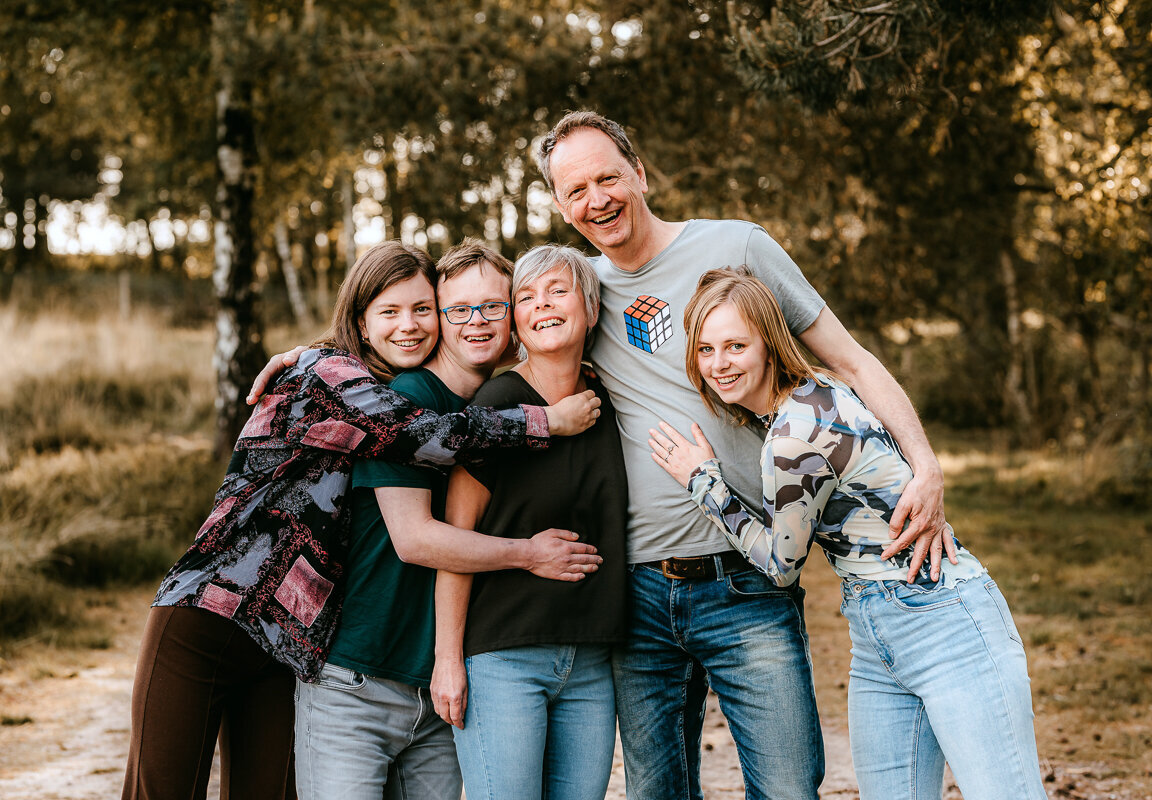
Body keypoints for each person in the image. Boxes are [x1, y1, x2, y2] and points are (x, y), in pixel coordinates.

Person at [533, 110, 955, 800]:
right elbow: (472, 329)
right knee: (657, 792)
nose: (596, 200)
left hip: (749, 578)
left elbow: (850, 359)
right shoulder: (579, 289)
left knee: (788, 788)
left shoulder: (738, 247)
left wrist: (926, 466)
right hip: (636, 588)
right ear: (559, 203)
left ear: (639, 174)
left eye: (608, 178)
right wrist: (327, 355)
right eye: (575, 190)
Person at [122, 241, 602, 800]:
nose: (412, 326)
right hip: (208, 620)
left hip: (289, 643)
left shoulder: (386, 385)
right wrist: (546, 422)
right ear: (360, 320)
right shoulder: (327, 373)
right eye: (390, 311)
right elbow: (419, 436)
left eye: (424, 309)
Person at [648, 267, 1045, 800]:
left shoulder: (794, 437)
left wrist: (703, 482)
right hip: (874, 630)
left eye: (735, 346)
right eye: (705, 349)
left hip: (946, 623)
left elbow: (780, 566)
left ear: (768, 343)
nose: (719, 365)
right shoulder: (815, 393)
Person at [293, 240, 597, 799]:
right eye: (458, 309)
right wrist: (530, 554)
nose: (476, 322)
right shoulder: (405, 400)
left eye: (493, 307)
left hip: (438, 691)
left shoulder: (504, 404)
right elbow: (415, 541)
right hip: (360, 674)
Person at [429, 244, 628, 800]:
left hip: (590, 659)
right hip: (502, 659)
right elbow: (455, 537)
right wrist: (449, 660)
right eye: (526, 297)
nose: (542, 306)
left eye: (557, 291)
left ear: (589, 308)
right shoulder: (498, 405)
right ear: (516, 318)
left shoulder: (611, 402)